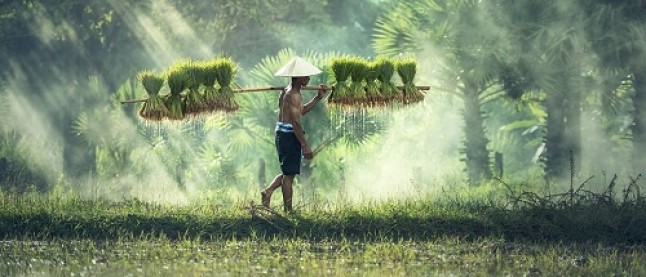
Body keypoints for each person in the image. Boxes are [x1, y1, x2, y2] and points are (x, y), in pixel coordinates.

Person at [261, 56, 328, 212]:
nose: (309, 78)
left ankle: (268, 191)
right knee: (289, 176)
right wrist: (305, 145)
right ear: (298, 78)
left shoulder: (288, 91)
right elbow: (296, 122)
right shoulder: (293, 95)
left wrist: (318, 98)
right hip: (288, 135)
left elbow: (301, 111)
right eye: (306, 76)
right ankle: (288, 211)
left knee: (288, 172)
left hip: (282, 132)